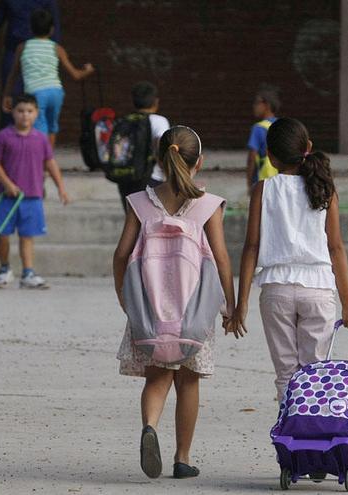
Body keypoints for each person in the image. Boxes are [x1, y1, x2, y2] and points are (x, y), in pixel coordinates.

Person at [113, 126, 240, 479]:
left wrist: (125, 298)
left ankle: (150, 426)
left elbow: (122, 254)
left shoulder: (139, 203)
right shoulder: (207, 205)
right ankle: (182, 458)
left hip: (149, 312)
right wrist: (232, 307)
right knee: (189, 381)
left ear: (159, 161)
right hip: (193, 315)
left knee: (156, 378)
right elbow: (222, 259)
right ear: (199, 162)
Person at [229, 118, 348, 401]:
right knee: (316, 373)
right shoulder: (326, 190)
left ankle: (290, 438)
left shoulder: (263, 189)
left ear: (270, 156)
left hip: (276, 290)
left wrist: (242, 304)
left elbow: (250, 248)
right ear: (308, 147)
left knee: (286, 375)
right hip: (318, 290)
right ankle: (313, 436)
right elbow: (336, 248)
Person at [0, 94, 71, 289]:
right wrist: (7, 184)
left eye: (29, 111)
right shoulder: (3, 137)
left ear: (36, 114)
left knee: (27, 236)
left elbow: (50, 164)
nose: (24, 115)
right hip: (7, 197)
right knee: (3, 234)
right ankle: (4, 269)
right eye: (20, 111)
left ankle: (28, 272)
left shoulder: (41, 139)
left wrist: (61, 188)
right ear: (13, 112)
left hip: (33, 196)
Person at [0, 0, 61, 128]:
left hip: (37, 52)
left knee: (38, 96)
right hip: (13, 50)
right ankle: (8, 137)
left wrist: (53, 53)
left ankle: (35, 141)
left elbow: (55, 26)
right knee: (10, 95)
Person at [2, 9, 94, 148]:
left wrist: (7, 94)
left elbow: (13, 73)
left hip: (36, 93)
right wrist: (88, 70)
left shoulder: (22, 47)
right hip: (56, 92)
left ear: (31, 29)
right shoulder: (57, 48)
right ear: (52, 29)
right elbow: (76, 75)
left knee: (39, 129)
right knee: (52, 127)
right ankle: (48, 159)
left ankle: (40, 161)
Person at [115, 81, 171, 212]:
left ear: (133, 101)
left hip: (126, 178)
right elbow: (160, 147)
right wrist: (169, 176)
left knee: (132, 219)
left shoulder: (124, 121)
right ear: (156, 102)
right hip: (152, 178)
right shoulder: (159, 121)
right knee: (151, 223)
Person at [244, 85, 280, 194]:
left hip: (262, 182)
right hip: (280, 180)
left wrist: (250, 184)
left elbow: (252, 158)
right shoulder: (281, 125)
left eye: (257, 103)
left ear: (266, 105)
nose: (254, 106)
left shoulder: (258, 128)